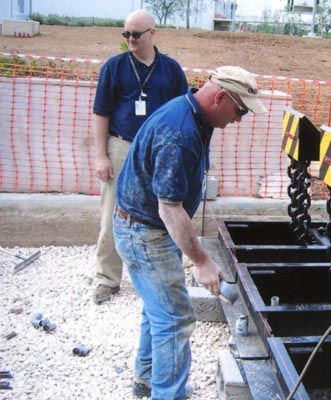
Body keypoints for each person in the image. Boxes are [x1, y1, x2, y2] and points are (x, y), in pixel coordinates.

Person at [112, 66, 267, 399]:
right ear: (220, 97)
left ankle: (147, 378)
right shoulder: (180, 133)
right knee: (174, 318)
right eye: (239, 111)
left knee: (158, 306)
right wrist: (201, 260)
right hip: (144, 230)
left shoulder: (194, 114)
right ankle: (168, 394)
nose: (239, 119)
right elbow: (169, 208)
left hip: (145, 224)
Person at [92, 9, 188, 305]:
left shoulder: (171, 70)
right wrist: (101, 156)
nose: (130, 39)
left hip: (157, 151)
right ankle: (107, 279)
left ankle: (160, 275)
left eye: (136, 34)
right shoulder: (115, 67)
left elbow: (181, 112)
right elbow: (100, 113)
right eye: (126, 34)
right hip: (120, 146)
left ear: (152, 33)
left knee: (164, 210)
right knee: (111, 214)